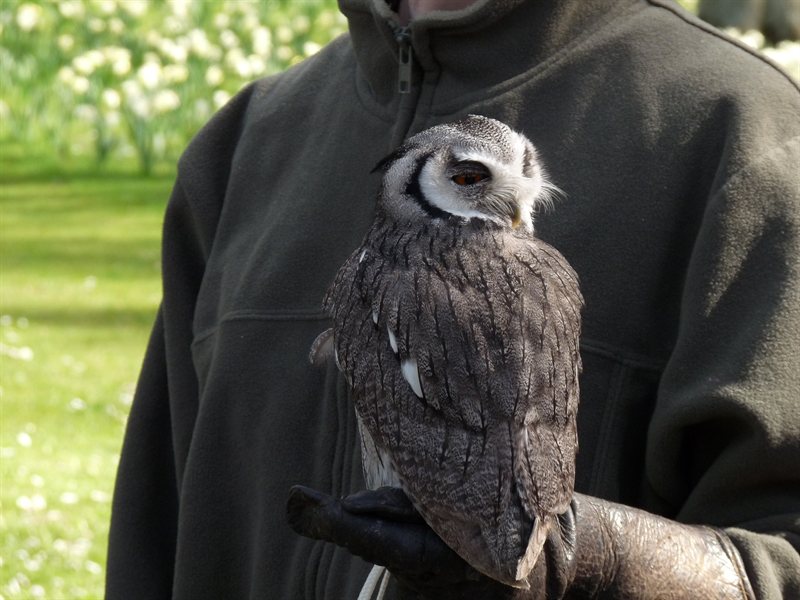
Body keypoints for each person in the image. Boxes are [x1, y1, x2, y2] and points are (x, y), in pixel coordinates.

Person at [105, 0, 800, 598]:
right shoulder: (248, 143)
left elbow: (783, 559)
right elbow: (157, 526)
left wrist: (583, 560)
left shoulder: (742, 135)